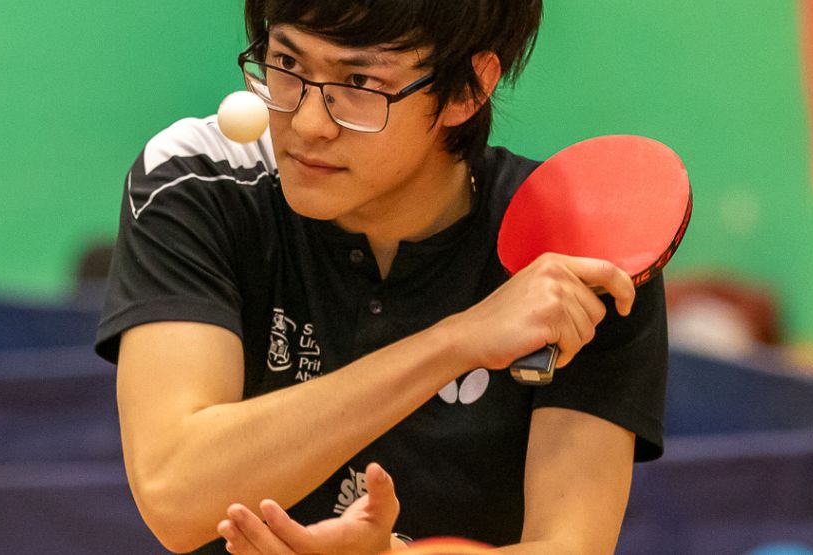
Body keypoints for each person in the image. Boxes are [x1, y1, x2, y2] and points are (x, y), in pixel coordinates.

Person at [94, 1, 668, 553]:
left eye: (361, 84)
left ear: (468, 88)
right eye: (287, 65)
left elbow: (569, 548)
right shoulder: (199, 181)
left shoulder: (575, 252)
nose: (308, 123)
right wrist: (459, 340)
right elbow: (175, 495)